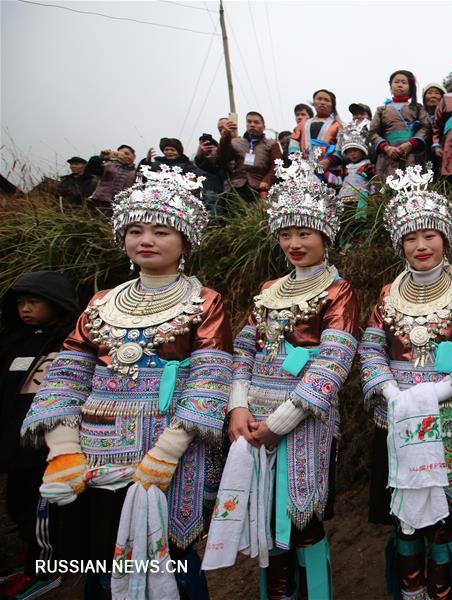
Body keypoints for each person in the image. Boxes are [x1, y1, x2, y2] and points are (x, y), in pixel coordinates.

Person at [21, 166, 232, 599]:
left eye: (160, 231)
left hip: (169, 449)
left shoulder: (205, 301)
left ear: (185, 241)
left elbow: (210, 376)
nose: (146, 240)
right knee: (102, 558)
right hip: (94, 451)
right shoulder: (102, 301)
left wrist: (169, 451)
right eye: (135, 230)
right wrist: (63, 450)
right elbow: (69, 371)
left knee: (171, 557)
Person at [359, 164, 452, 600]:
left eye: (429, 235)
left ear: (446, 239)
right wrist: (389, 391)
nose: (421, 245)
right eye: (411, 238)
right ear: (399, 244)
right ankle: (410, 593)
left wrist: (439, 390)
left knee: (444, 518)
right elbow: (369, 349)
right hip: (396, 415)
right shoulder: (387, 293)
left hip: (451, 413)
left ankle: (442, 593)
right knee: (404, 516)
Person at [226, 153, 359, 600]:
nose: (294, 243)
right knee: (263, 516)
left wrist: (280, 421)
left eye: (304, 233)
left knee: (303, 519)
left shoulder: (338, 290)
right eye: (286, 233)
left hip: (304, 416)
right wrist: (238, 406)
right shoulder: (267, 290)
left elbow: (333, 363)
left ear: (325, 235)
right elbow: (244, 346)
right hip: (253, 418)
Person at [0, 271, 79, 600]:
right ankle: (32, 558)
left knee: (42, 507)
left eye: (34, 301)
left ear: (57, 305)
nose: (26, 309)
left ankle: (48, 569)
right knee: (18, 503)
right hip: (13, 443)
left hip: (48, 446)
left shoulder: (69, 343)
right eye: (20, 303)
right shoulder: (11, 342)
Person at [370, 70, 429, 179]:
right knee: (387, 187)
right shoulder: (382, 109)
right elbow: (373, 132)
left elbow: (426, 127)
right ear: (391, 86)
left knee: (412, 186)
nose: (400, 85)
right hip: (387, 155)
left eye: (404, 82)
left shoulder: (418, 107)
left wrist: (411, 144)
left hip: (412, 153)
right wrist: (386, 148)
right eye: (396, 82)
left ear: (410, 87)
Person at [218, 111, 282, 203]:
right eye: (249, 122)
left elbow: (276, 165)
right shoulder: (236, 142)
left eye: (256, 122)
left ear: (263, 126)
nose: (252, 125)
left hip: (260, 188)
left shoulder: (271, 144)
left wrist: (267, 181)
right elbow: (221, 159)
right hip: (237, 187)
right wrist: (226, 136)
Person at [325, 121, 375, 224]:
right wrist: (325, 174)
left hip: (360, 198)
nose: (353, 154)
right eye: (349, 152)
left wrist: (374, 194)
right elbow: (339, 181)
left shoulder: (367, 165)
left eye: (355, 150)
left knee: (359, 222)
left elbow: (373, 181)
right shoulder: (346, 168)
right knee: (344, 220)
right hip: (344, 197)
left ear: (362, 151)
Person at [86, 145, 137, 212]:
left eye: (127, 154)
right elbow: (91, 170)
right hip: (99, 203)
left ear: (134, 157)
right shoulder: (108, 165)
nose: (125, 156)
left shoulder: (136, 172)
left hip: (121, 207)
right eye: (121, 154)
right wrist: (101, 158)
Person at [303, 90, 343, 172]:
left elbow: (340, 145)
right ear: (313, 103)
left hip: (328, 169)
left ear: (332, 105)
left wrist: (329, 160)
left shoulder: (338, 125)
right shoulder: (303, 124)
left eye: (326, 100)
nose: (322, 102)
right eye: (319, 99)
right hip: (303, 166)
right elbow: (294, 142)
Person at [422, 82, 446, 168]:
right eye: (429, 93)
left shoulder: (447, 117)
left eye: (437, 93)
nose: (433, 95)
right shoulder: (418, 117)